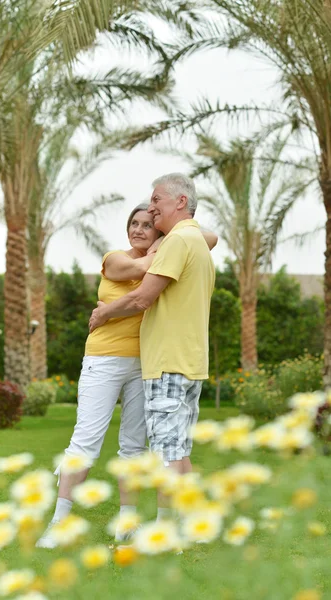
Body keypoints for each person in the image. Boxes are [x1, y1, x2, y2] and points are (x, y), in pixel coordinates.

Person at [37, 200, 216, 549]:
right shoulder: (114, 258)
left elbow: (210, 237)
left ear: (159, 229)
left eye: (147, 224)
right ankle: (58, 523)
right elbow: (142, 267)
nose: (138, 229)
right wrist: (164, 243)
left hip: (143, 363)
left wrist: (170, 238)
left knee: (133, 448)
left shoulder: (170, 249)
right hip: (103, 360)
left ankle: (128, 525)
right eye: (134, 223)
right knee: (84, 443)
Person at [89, 173, 216, 519]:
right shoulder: (194, 241)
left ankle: (168, 529)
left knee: (165, 452)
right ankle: (196, 521)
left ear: (180, 202)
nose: (152, 205)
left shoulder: (177, 242)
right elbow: (210, 236)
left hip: (168, 362)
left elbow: (143, 298)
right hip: (189, 361)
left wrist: (105, 313)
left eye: (157, 199)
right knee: (179, 449)